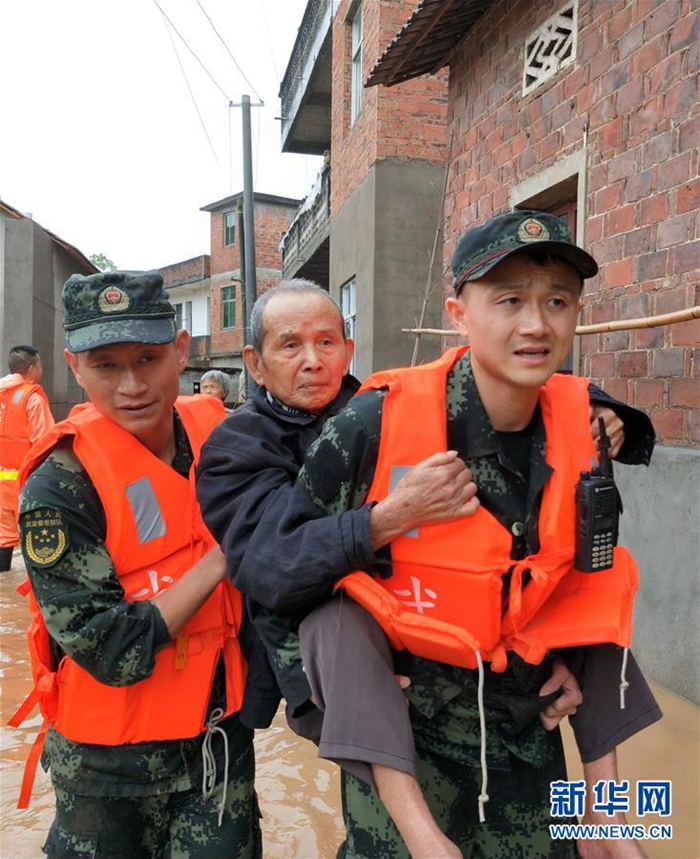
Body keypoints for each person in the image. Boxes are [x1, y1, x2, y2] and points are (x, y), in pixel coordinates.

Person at [196, 268, 659, 857]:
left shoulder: (387, 407)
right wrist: (386, 519)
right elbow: (270, 568)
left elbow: (494, 402)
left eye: (326, 342)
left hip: (499, 670)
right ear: (255, 365)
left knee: (596, 579)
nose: (312, 361)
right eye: (290, 346)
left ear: (348, 349)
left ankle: (609, 819)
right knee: (339, 622)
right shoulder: (246, 446)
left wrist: (597, 407)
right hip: (370, 672)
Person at [10, 271, 260, 859]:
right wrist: (223, 558)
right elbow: (111, 649)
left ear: (180, 351)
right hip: (106, 775)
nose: (131, 386)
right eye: (106, 366)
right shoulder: (58, 487)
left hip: (217, 748)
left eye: (148, 359)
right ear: (75, 367)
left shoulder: (219, 432)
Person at [0, 345, 54, 571]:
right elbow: (45, 443)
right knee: (38, 535)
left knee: (3, 537)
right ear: (31, 369)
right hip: (25, 481)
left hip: (2, 481)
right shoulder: (32, 399)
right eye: (40, 365)